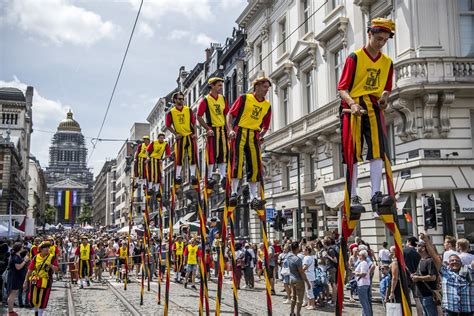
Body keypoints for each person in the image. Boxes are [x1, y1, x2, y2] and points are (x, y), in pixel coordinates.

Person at [337, 17, 396, 212]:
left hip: (373, 106)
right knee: (352, 151)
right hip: (352, 106)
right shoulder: (354, 57)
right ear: (369, 34)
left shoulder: (388, 62)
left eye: (385, 40)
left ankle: (376, 194)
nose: (381, 43)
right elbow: (342, 88)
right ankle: (353, 195)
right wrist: (352, 104)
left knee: (377, 149)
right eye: (379, 39)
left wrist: (384, 98)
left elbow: (386, 89)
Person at [226, 77, 272, 208]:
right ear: (256, 86)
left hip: (253, 135)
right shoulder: (244, 98)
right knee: (237, 162)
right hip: (239, 131)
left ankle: (253, 197)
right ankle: (234, 193)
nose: (266, 90)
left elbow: (266, 125)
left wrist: (261, 136)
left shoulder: (267, 105)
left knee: (254, 165)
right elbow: (230, 114)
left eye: (268, 88)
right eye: (265, 87)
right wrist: (230, 130)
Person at [420, 232, 474, 316]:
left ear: (461, 262)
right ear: (448, 263)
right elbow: (434, 256)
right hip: (450, 311)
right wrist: (427, 241)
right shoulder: (445, 271)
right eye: (452, 260)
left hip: (467, 311)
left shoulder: (468, 270)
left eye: (457, 260)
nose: (454, 261)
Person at [197, 77, 229, 189]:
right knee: (211, 153)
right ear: (212, 85)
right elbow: (199, 116)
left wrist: (228, 129)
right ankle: (209, 177)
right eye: (219, 85)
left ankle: (223, 176)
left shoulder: (223, 98)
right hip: (212, 129)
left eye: (221, 85)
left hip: (222, 129)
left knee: (223, 153)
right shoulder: (205, 100)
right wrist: (207, 128)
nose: (221, 88)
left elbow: (226, 114)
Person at [165, 91, 199, 185]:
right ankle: (178, 176)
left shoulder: (188, 110)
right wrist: (175, 133)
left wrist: (195, 133)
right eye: (180, 99)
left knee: (192, 156)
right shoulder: (171, 113)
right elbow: (168, 126)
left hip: (190, 135)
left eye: (183, 99)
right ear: (175, 100)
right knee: (180, 156)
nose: (182, 100)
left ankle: (193, 175)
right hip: (180, 137)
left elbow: (194, 123)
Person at [24, 241, 59, 316]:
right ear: (41, 249)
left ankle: (39, 314)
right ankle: (36, 312)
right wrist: (25, 281)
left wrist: (51, 266)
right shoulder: (36, 257)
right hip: (35, 280)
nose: (47, 249)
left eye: (48, 247)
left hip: (46, 281)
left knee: (43, 299)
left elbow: (56, 269)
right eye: (45, 247)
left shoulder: (52, 257)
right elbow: (30, 270)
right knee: (33, 299)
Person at [411, 240, 438, 316]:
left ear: (423, 248)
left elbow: (433, 277)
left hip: (428, 294)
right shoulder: (421, 260)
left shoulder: (429, 261)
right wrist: (414, 275)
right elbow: (421, 273)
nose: (416, 247)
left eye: (418, 246)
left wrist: (417, 278)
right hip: (421, 293)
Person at [287, 242, 311, 316]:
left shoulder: (288, 256)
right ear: (297, 248)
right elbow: (301, 272)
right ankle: (298, 314)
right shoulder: (297, 259)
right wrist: (307, 282)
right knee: (299, 298)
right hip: (298, 280)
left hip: (292, 279)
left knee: (293, 297)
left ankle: (291, 312)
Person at [7, 242, 29, 316]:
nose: (23, 247)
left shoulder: (16, 255)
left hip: (15, 276)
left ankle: (11, 311)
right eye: (22, 246)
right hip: (14, 276)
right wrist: (25, 261)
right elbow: (18, 267)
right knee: (12, 294)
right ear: (19, 248)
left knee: (13, 293)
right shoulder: (15, 256)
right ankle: (10, 311)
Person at [354, 249, 373, 316]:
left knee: (364, 302)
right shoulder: (364, 263)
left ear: (362, 256)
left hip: (362, 284)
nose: (358, 256)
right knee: (365, 302)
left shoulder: (363, 263)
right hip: (364, 283)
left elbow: (363, 274)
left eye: (359, 255)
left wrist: (356, 273)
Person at [302, 246, 316, 310]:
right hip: (310, 276)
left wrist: (300, 271)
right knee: (308, 291)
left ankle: (312, 305)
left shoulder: (307, 258)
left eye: (304, 250)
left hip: (308, 276)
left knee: (309, 291)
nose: (303, 251)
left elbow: (305, 267)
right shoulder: (310, 257)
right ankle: (309, 304)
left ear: (307, 251)